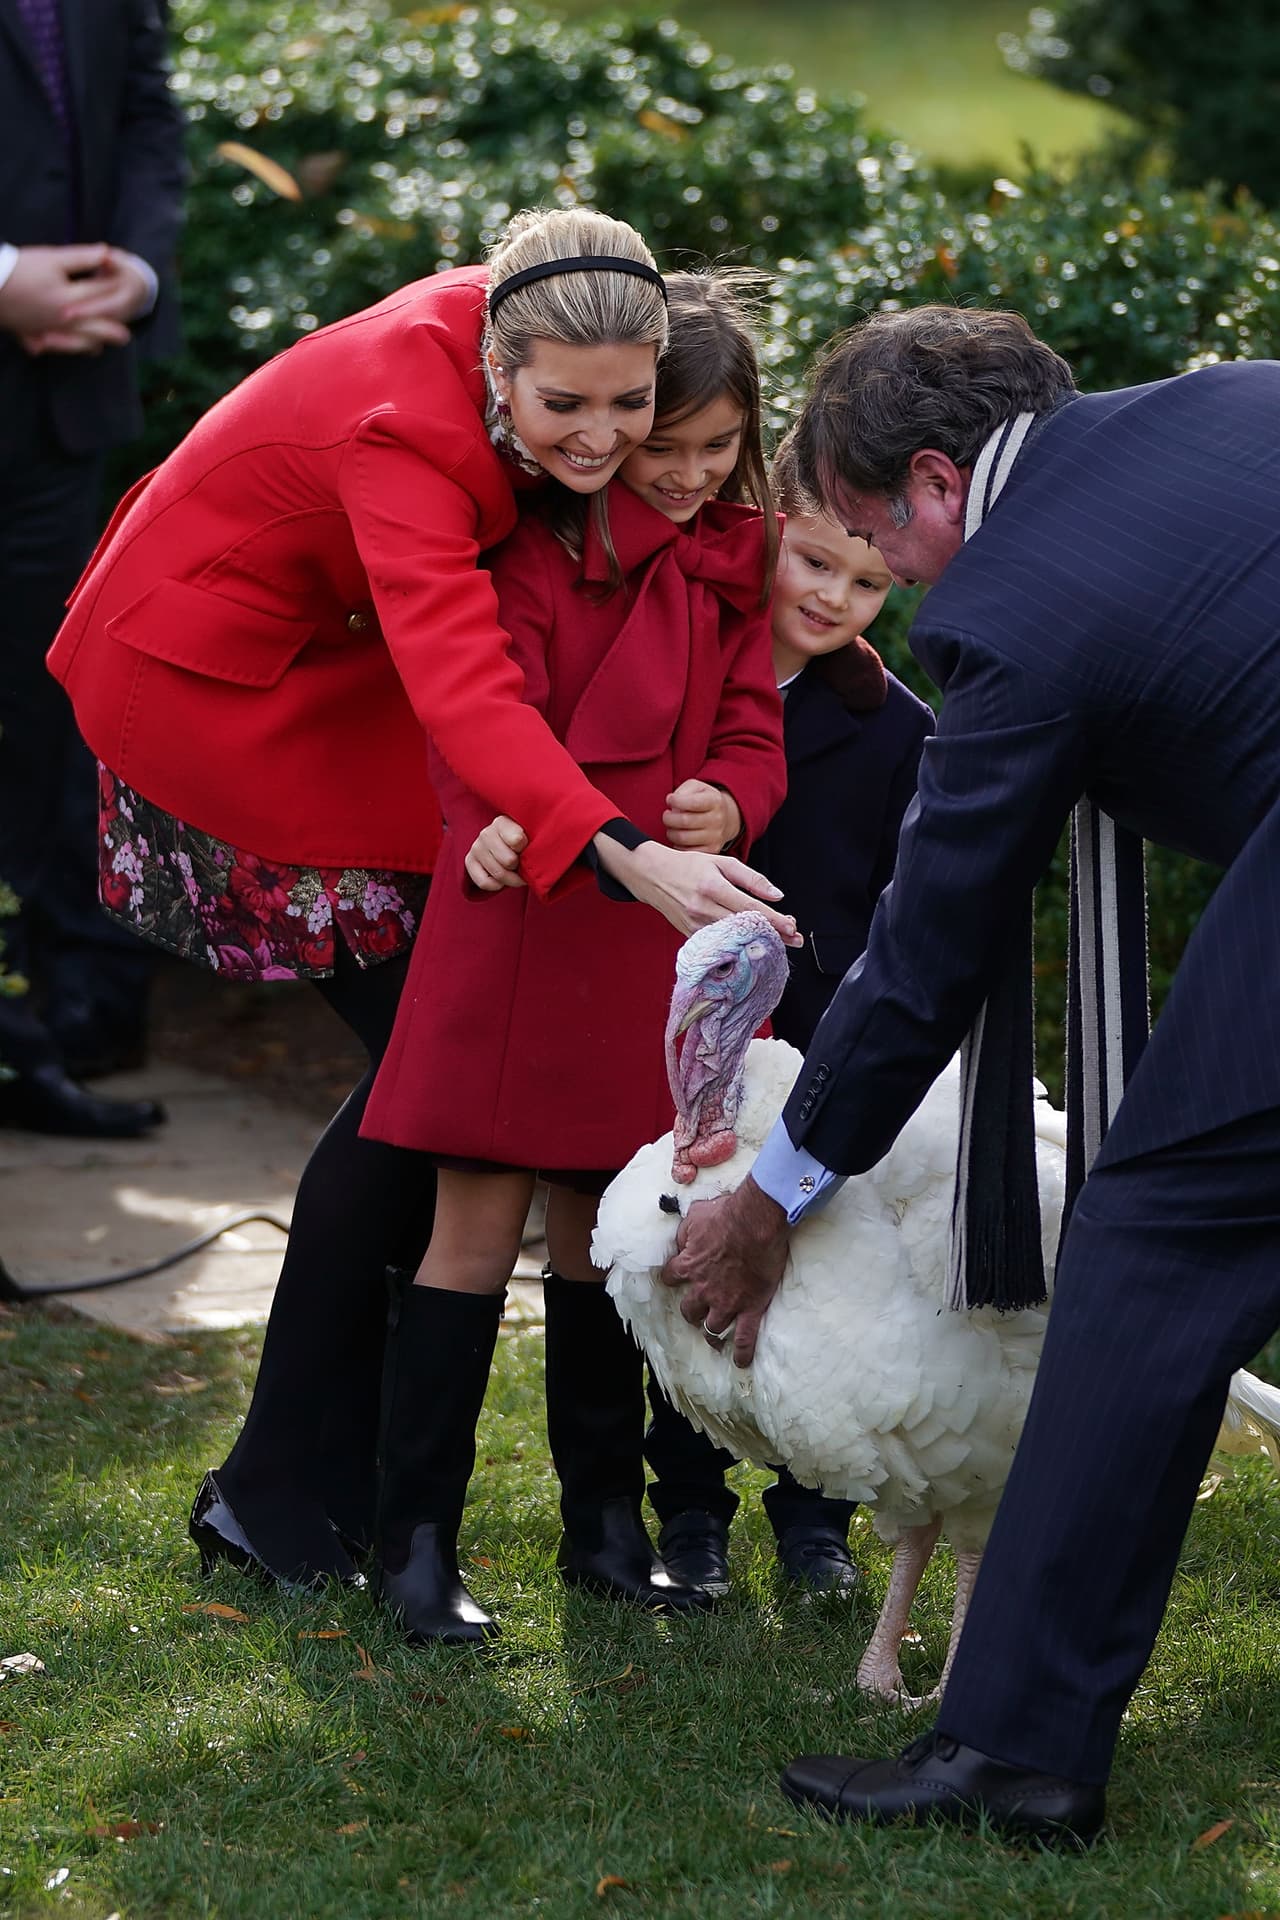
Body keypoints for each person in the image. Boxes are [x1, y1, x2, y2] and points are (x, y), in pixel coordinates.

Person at [49, 210, 800, 1595]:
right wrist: (626, 852)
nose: (600, 437)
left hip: (346, 675)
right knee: (431, 1080)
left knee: (438, 1073)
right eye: (564, 407)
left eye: (629, 404)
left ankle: (351, 1494)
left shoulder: (572, 306)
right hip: (226, 694)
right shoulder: (408, 435)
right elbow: (464, 685)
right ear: (493, 361)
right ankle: (284, 1494)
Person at [658, 303, 1280, 1847]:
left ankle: (1015, 1756)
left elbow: (931, 946)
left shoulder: (1016, 604)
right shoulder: (1225, 401)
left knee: (1159, 1238)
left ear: (936, 482)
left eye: (879, 534)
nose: (901, 582)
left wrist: (780, 1184)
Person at [358, 270, 789, 1643]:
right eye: (664, 448)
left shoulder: (726, 571)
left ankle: (604, 1526)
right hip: (526, 916)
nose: (677, 473)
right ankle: (413, 1540)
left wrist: (732, 794)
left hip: (640, 949)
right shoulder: (527, 555)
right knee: (470, 1237)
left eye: (710, 450)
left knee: (603, 1246)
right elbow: (476, 714)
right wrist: (484, 824)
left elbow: (747, 723)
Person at [645, 430, 933, 1602]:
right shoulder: (676, 672)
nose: (834, 597)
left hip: (819, 1046)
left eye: (866, 582)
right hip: (682, 1038)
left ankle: (814, 1517)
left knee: (814, 1273)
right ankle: (686, 1512)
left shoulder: (894, 727)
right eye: (813, 564)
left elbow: (900, 906)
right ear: (765, 534)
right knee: (678, 1262)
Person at [0, 0, 184, 1136]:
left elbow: (144, 112)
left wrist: (140, 271)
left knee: (55, 712)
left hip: (64, 403)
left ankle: (58, 1027)